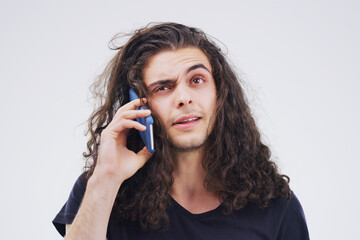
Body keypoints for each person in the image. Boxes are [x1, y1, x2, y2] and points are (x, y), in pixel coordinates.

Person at [53, 22, 310, 240]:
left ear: (219, 92)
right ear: (139, 104)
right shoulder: (102, 191)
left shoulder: (275, 204)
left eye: (196, 80)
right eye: (163, 87)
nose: (184, 98)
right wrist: (107, 177)